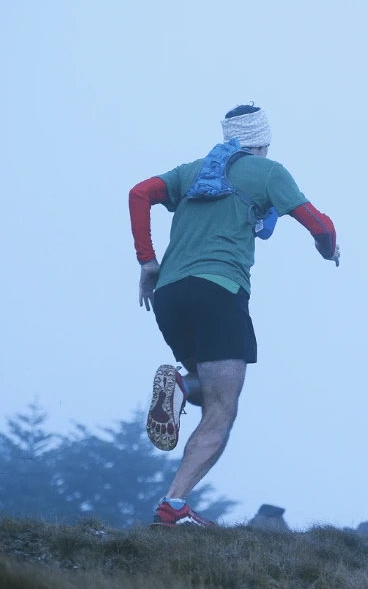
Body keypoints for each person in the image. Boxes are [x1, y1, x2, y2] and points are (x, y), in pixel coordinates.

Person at [128, 104, 339, 527]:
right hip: (219, 292)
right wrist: (329, 249)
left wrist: (148, 262)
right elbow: (319, 225)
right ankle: (173, 507)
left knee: (212, 388)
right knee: (224, 408)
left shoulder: (192, 171)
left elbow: (138, 193)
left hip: (169, 295)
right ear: (261, 140)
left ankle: (182, 390)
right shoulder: (268, 172)